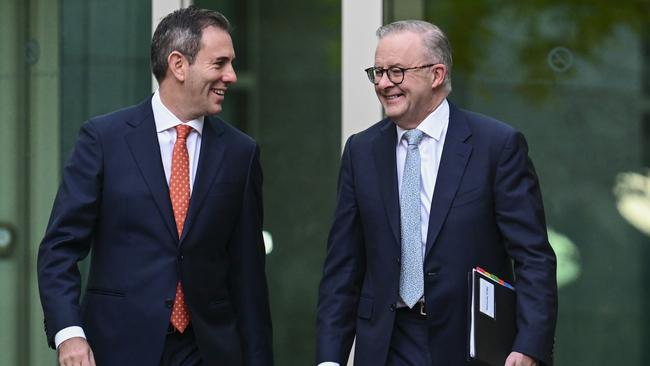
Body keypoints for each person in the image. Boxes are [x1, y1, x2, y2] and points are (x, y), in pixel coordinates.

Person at [37, 6, 273, 366]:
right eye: (220, 63)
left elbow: (249, 278)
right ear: (178, 65)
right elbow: (60, 248)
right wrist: (70, 333)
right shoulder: (104, 140)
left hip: (209, 351)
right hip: (117, 347)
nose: (232, 76)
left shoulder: (240, 153)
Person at [316, 20, 557, 366]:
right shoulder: (361, 151)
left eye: (396, 72)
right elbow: (343, 265)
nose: (384, 84)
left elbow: (533, 257)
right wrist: (329, 359)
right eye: (378, 72)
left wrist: (529, 345)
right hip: (386, 345)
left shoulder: (496, 146)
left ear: (436, 74)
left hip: (468, 344)